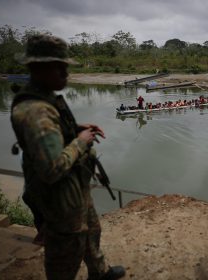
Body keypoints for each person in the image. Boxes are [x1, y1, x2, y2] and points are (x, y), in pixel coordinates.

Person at [10, 34, 125, 280]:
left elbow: (54, 132)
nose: (65, 72)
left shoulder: (45, 99)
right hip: (60, 201)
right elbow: (51, 169)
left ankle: (99, 272)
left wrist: (75, 129)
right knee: (65, 255)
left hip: (75, 189)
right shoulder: (35, 113)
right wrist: (80, 141)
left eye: (65, 66)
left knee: (92, 232)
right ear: (37, 68)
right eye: (58, 67)